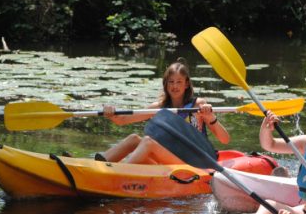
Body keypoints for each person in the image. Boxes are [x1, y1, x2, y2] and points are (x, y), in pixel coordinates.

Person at [95, 59, 230, 164]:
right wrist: (111, 112)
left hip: (193, 162)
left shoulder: (198, 105)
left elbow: (225, 139)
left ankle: (119, 175)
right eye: (171, 82)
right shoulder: (159, 107)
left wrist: (210, 116)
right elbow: (122, 120)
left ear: (186, 84)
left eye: (179, 81)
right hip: (168, 159)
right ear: (166, 84)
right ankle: (100, 166)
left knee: (148, 142)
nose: (175, 86)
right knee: (134, 139)